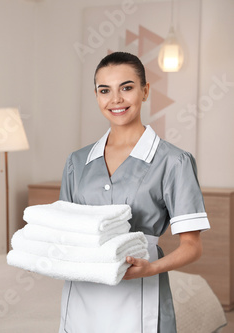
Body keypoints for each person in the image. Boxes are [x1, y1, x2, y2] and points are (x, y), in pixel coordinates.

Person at [58, 52, 210, 333]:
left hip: (141, 292)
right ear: (97, 96)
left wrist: (150, 269)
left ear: (145, 91)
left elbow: (192, 246)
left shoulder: (174, 161)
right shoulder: (76, 162)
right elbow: (66, 230)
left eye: (126, 88)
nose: (115, 99)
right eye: (105, 90)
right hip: (83, 292)